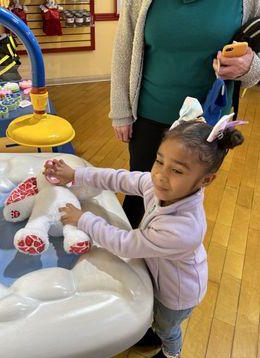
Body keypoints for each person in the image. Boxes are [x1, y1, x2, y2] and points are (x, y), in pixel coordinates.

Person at [43, 104, 245, 358]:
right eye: (159, 161)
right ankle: (154, 331)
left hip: (177, 293)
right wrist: (77, 175)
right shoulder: (157, 184)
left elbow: (126, 243)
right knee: (154, 314)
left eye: (177, 170)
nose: (161, 174)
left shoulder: (183, 228)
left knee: (167, 327)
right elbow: (121, 178)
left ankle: (170, 353)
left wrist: (83, 219)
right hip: (160, 272)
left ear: (205, 180)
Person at [110, 0, 260, 228]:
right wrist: (120, 111)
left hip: (208, 124)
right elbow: (123, 51)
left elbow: (255, 61)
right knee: (139, 192)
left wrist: (249, 67)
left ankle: (167, 254)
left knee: (185, 198)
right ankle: (124, 253)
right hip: (151, 116)